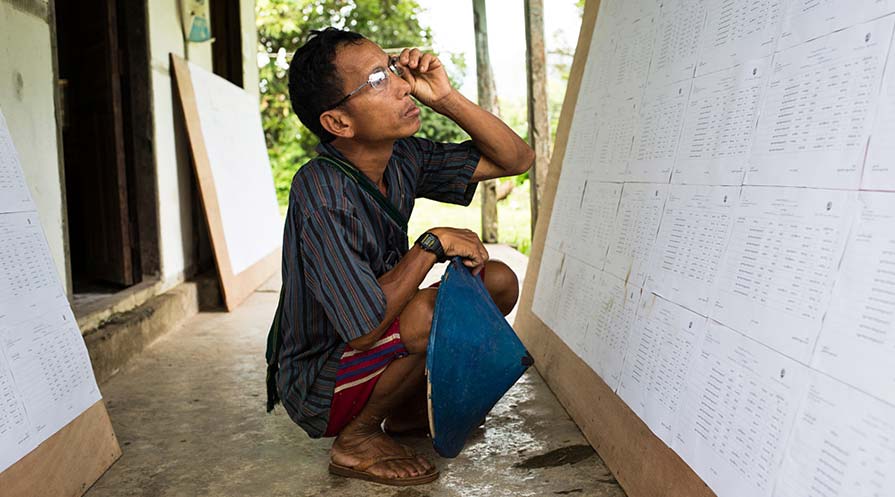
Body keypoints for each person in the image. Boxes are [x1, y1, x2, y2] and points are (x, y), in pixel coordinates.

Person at [266, 27, 534, 486]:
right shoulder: (321, 189)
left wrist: (445, 98)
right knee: (430, 315)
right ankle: (358, 440)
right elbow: (365, 327)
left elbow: (516, 159)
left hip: (369, 341)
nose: (402, 84)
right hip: (322, 377)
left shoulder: (403, 157)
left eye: (391, 68)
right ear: (338, 123)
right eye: (376, 80)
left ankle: (408, 412)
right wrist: (430, 246)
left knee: (497, 283)